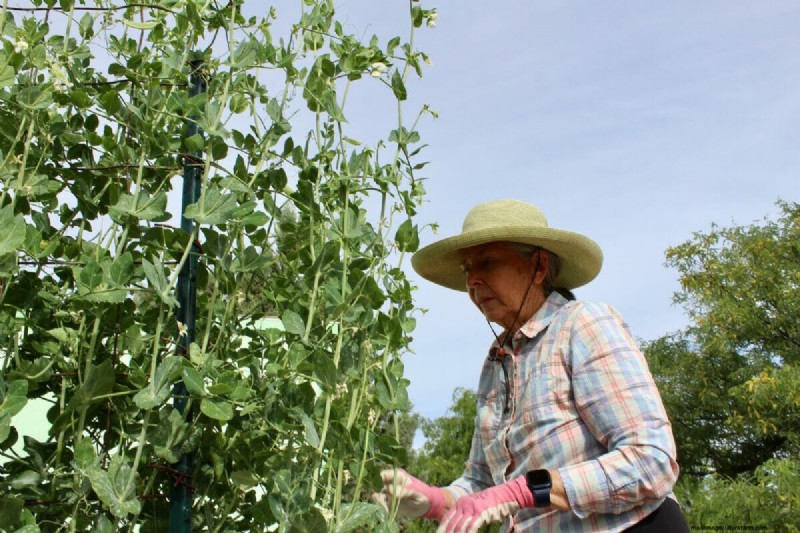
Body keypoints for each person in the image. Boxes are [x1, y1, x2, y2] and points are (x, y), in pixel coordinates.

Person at [375, 200, 689, 532]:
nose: (473, 281)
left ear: (538, 266)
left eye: (488, 262)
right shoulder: (496, 361)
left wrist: (530, 488)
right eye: (468, 268)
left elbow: (651, 460)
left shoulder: (581, 325)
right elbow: (483, 484)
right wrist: (435, 500)